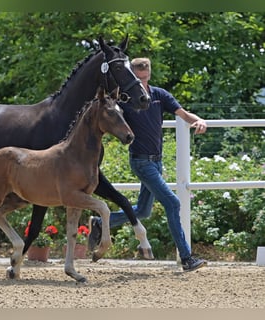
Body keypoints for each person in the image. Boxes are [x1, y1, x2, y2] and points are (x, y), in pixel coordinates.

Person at [88, 57, 207, 272]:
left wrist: (198, 120)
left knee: (142, 211)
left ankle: (100, 222)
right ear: (132, 77)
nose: (142, 83)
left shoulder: (160, 96)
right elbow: (109, 115)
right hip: (141, 162)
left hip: (157, 161)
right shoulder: (125, 100)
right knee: (173, 203)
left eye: (145, 78)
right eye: (138, 78)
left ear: (149, 74)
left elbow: (183, 114)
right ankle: (187, 258)